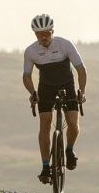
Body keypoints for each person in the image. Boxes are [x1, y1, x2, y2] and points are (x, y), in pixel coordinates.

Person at [21, 14, 86, 183]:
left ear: (52, 31)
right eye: (39, 34)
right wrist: (33, 93)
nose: (43, 37)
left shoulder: (65, 45)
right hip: (46, 88)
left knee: (72, 122)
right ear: (35, 34)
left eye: (46, 33)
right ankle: (45, 166)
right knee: (45, 123)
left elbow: (81, 69)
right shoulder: (31, 51)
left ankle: (69, 150)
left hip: (67, 84)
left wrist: (82, 90)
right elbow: (26, 76)